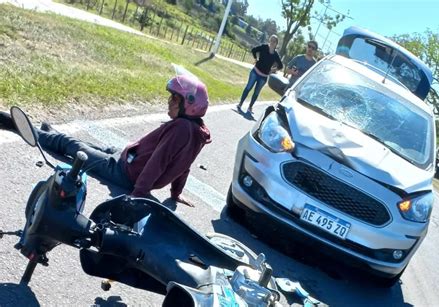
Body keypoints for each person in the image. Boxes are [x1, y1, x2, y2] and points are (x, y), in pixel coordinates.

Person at [0, 75, 211, 207]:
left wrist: (138, 195)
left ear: (189, 104)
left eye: (174, 98)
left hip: (124, 172)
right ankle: (53, 133)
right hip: (129, 156)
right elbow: (184, 166)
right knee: (90, 147)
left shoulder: (181, 128)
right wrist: (176, 194)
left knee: (75, 147)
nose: (169, 101)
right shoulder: (198, 133)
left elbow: (159, 161)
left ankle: (27, 130)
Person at [237, 35, 283, 113]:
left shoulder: (276, 55)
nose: (272, 42)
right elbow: (254, 50)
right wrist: (256, 58)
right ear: (269, 40)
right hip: (255, 72)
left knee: (256, 92)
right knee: (248, 87)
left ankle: (250, 107)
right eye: (271, 40)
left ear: (276, 44)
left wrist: (272, 70)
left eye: (274, 41)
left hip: (264, 76)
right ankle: (240, 104)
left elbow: (280, 66)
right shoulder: (264, 47)